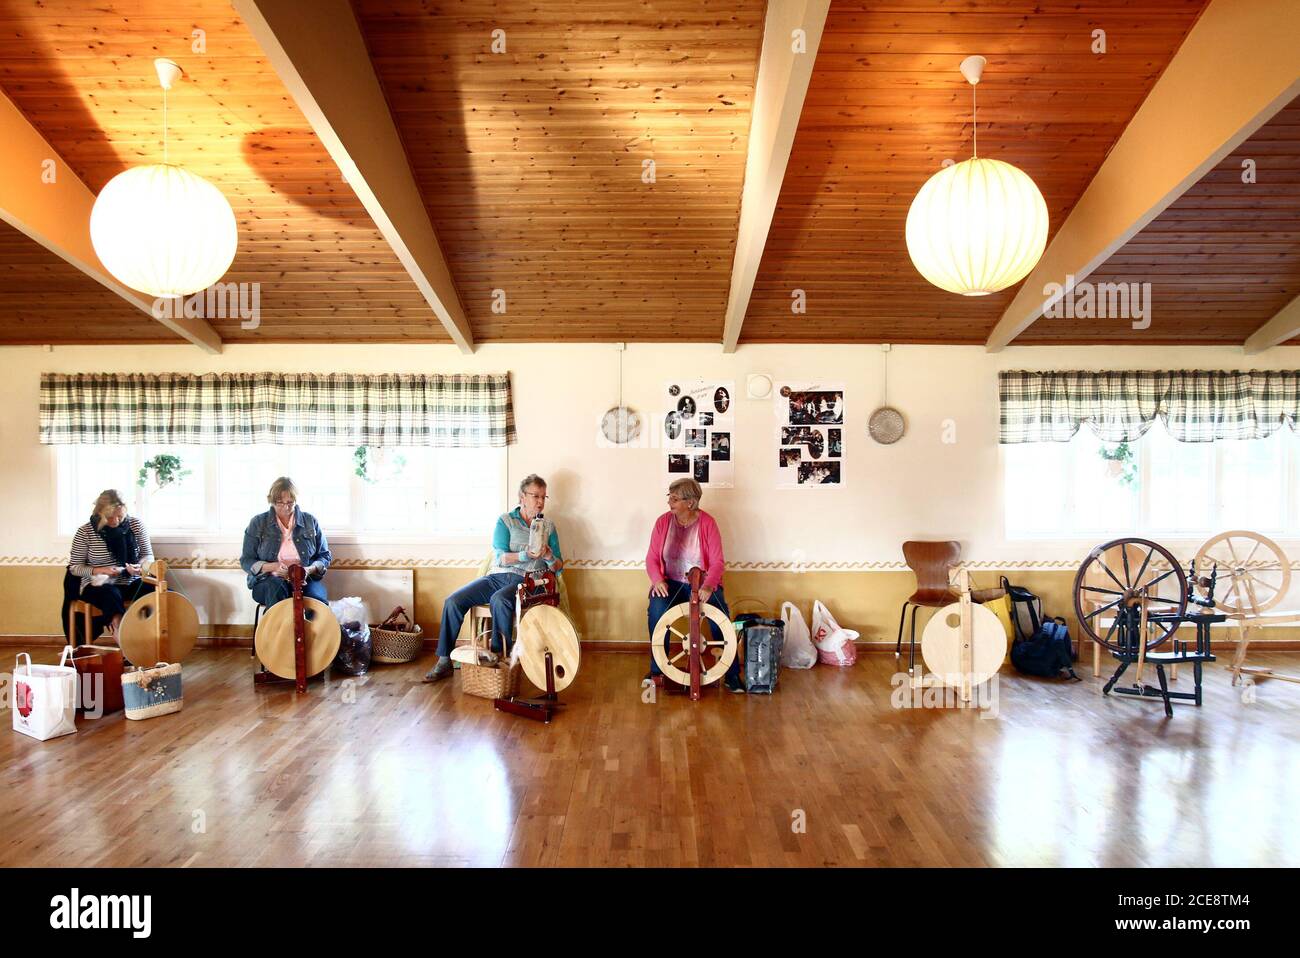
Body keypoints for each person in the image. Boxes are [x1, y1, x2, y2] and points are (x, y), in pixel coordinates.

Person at [425, 474, 564, 682]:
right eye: (536, 496)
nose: (541, 502)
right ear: (522, 497)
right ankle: (444, 659)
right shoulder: (505, 521)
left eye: (544, 497)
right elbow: (500, 557)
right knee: (453, 601)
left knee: (499, 600)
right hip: (496, 577)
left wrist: (548, 556)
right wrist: (525, 555)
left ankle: (499, 658)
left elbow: (559, 568)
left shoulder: (549, 527)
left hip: (527, 581)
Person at [644, 478, 743, 693]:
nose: (669, 502)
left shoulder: (708, 523)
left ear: (690, 502)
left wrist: (708, 586)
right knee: (656, 613)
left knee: (721, 621)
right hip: (669, 584)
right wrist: (657, 580)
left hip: (702, 584)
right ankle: (657, 670)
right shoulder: (662, 522)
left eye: (675, 498)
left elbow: (717, 562)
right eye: (669, 497)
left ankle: (733, 675)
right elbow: (652, 557)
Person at [67, 490, 156, 640]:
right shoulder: (85, 532)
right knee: (111, 594)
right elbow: (75, 567)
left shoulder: (136, 525)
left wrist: (140, 567)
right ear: (99, 513)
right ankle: (124, 641)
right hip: (98, 585)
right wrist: (101, 570)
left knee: (160, 591)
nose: (115, 521)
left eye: (120, 517)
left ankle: (156, 642)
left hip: (131, 582)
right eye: (109, 517)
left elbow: (148, 556)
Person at [240, 477, 332, 608]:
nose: (286, 507)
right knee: (277, 595)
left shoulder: (310, 521)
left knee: (317, 604)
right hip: (268, 580)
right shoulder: (258, 523)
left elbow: (325, 556)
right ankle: (278, 628)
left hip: (305, 579)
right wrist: (273, 567)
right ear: (272, 501)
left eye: (290, 502)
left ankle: (314, 628)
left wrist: (308, 570)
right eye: (280, 503)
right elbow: (246, 561)